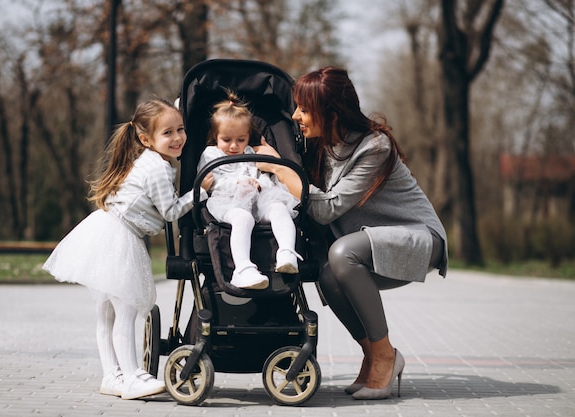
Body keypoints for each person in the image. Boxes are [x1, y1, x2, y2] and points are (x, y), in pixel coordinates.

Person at [255, 67, 448, 400]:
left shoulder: (375, 146)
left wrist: (280, 167)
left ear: (331, 111)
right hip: (366, 243)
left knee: (342, 255)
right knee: (329, 274)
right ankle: (375, 355)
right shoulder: (322, 145)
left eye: (304, 108)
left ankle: (385, 355)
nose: (296, 116)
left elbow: (327, 208)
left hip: (417, 237)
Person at [43, 98, 212, 400]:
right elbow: (171, 212)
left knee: (106, 314)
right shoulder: (159, 168)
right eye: (168, 133)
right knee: (125, 311)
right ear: (146, 139)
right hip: (120, 236)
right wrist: (199, 193)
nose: (178, 138)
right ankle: (132, 377)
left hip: (107, 229)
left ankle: (112, 375)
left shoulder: (146, 158)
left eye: (181, 129)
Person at [197, 91, 302, 290]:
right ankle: (242, 269)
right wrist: (238, 183)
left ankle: (286, 252)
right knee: (242, 218)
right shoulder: (211, 154)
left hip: (256, 199)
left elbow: (261, 173)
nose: (234, 146)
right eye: (227, 140)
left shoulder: (250, 153)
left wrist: (261, 184)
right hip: (226, 201)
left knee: (279, 208)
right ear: (215, 137)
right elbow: (212, 181)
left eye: (241, 139)